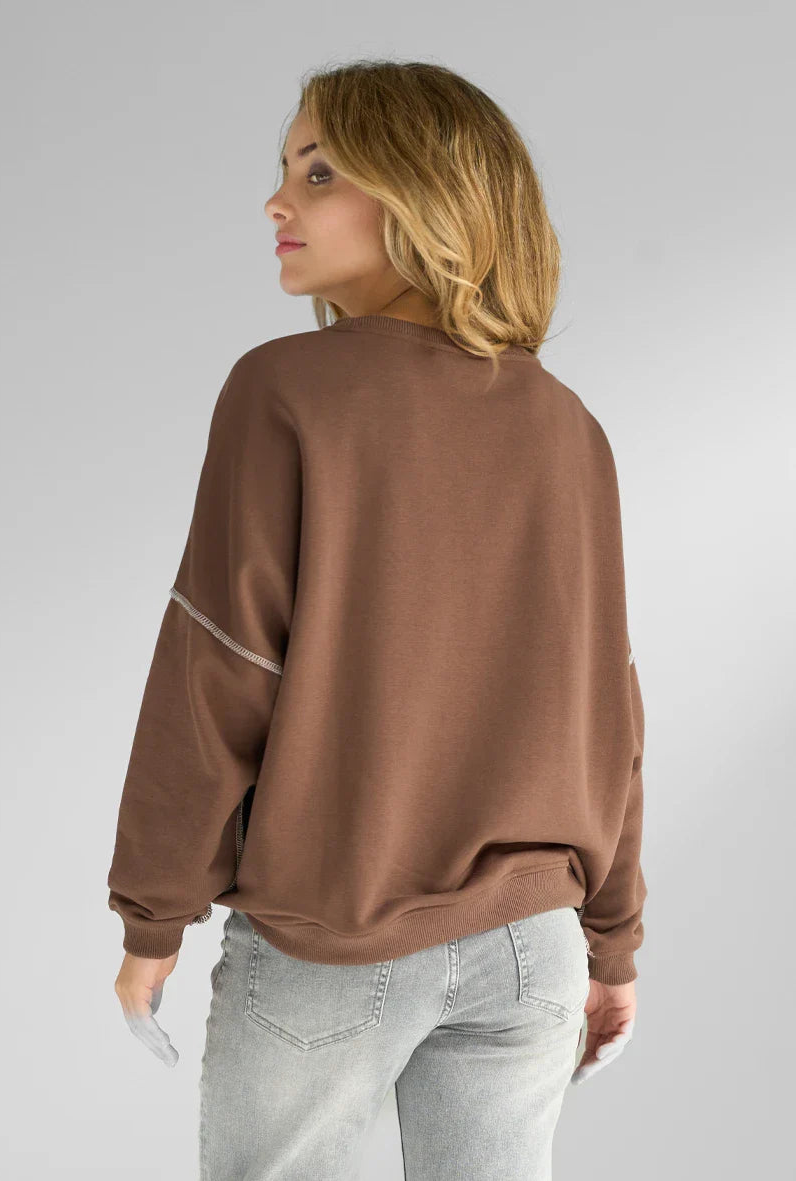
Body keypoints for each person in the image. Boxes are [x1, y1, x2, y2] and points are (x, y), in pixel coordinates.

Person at [108, 59, 647, 1180]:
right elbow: (608, 708)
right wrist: (611, 939)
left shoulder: (286, 389)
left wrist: (153, 915)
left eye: (319, 173)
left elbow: (220, 667)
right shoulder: (568, 425)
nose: (276, 201)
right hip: (532, 947)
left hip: (333, 934)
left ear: (424, 195)